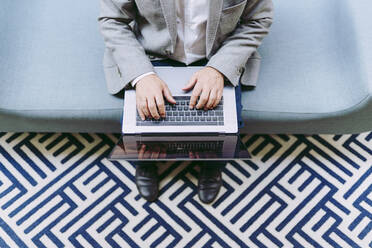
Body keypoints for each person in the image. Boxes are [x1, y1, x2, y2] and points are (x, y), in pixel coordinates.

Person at [98, 0, 273, 203]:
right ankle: (145, 162)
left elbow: (258, 20)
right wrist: (142, 75)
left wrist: (219, 69)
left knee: (226, 128)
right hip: (150, 55)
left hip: (217, 54)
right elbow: (112, 20)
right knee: (141, 122)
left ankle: (212, 166)